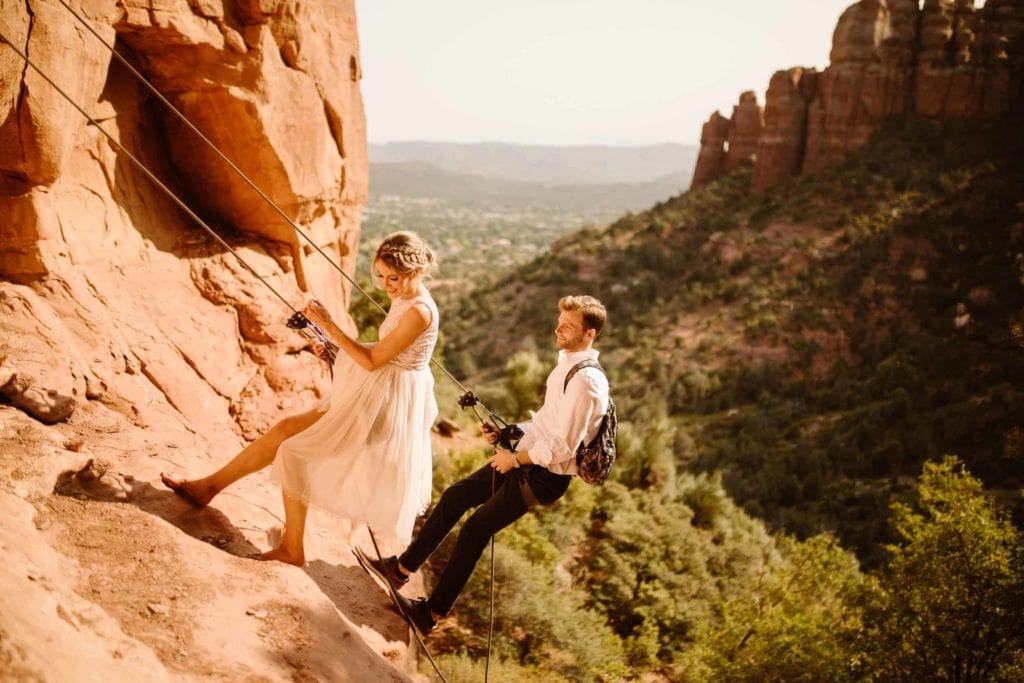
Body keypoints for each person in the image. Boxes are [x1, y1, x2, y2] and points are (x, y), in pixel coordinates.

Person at [161, 231, 440, 565]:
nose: (386, 285)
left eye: (393, 278)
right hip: (375, 391)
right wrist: (335, 348)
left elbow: (374, 361)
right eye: (380, 276)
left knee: (294, 454)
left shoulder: (419, 311)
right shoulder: (404, 298)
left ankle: (292, 549)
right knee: (284, 431)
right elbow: (386, 352)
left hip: (384, 407)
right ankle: (208, 487)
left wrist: (330, 326)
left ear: (414, 272)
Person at [359, 295, 609, 636]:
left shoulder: (586, 382)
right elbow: (549, 424)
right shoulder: (569, 366)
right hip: (527, 462)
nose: (558, 329)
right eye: (559, 321)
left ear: (590, 334)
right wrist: (510, 433)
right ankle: (400, 570)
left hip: (543, 478)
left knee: (475, 531)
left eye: (567, 326)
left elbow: (563, 445)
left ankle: (430, 615)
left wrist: (515, 457)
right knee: (456, 495)